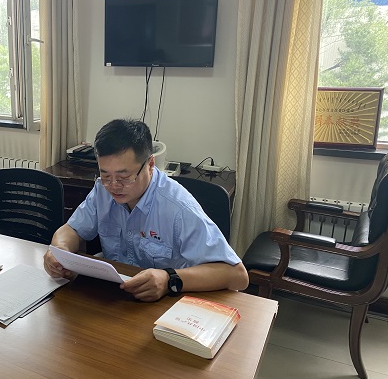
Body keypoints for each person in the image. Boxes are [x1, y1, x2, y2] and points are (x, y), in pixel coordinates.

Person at [43, 119, 249, 302]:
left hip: (168, 302)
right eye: (105, 175)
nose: (113, 186)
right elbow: (71, 230)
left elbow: (237, 275)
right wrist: (59, 251)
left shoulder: (178, 207)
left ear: (150, 164)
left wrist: (169, 279)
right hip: (117, 297)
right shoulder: (102, 191)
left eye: (124, 177)